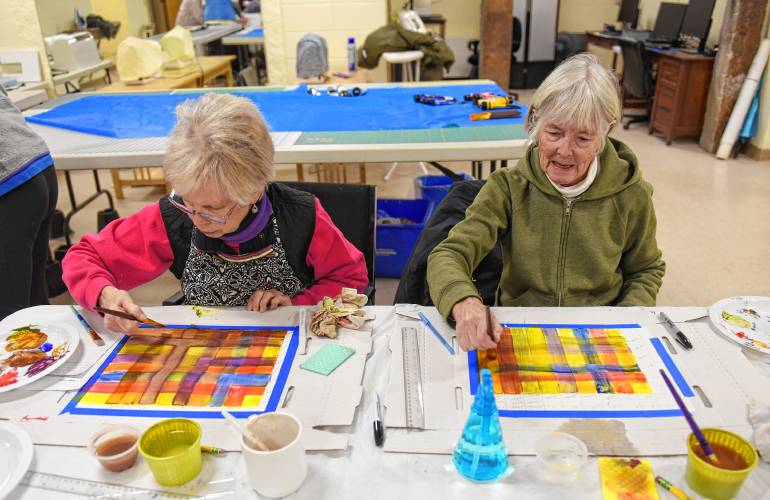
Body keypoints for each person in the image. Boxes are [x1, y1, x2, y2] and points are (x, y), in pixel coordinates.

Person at [63, 93, 367, 333]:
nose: (197, 220)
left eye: (214, 210)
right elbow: (84, 256)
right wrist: (104, 294)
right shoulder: (174, 216)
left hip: (290, 342)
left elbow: (350, 277)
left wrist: (298, 304)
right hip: (206, 347)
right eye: (189, 204)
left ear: (255, 189)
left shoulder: (300, 217)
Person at [426, 53, 665, 351]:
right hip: (520, 328)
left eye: (583, 139)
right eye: (553, 132)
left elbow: (646, 269)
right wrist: (465, 302)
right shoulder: (508, 187)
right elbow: (448, 255)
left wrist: (624, 320)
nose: (564, 151)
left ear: (608, 131)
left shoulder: (632, 194)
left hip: (599, 331)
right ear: (536, 121)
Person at [0, 87, 58, 320]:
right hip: (36, 164)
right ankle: (46, 354)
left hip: (9, 183)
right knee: (33, 300)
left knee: (9, 316)